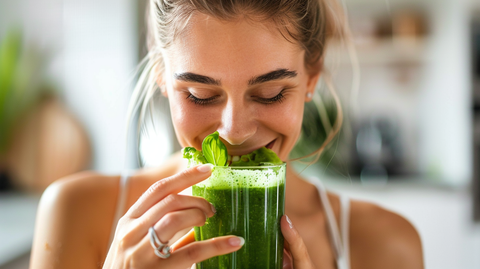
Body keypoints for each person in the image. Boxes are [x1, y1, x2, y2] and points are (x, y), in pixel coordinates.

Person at [30, 0, 424, 268]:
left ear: (312, 76)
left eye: (271, 93)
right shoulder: (75, 213)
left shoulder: (384, 244)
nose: (234, 132)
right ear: (161, 77)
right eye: (200, 95)